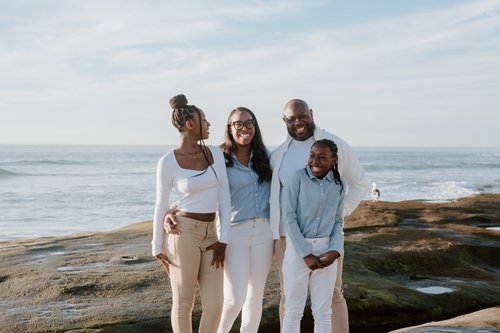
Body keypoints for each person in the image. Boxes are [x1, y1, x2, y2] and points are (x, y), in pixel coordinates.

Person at [270, 99, 368, 333]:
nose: (298, 122)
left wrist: (336, 213)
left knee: (332, 295)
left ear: (311, 114)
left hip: (327, 238)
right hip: (289, 237)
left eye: (303, 116)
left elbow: (360, 184)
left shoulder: (335, 145)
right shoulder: (278, 155)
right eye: (291, 119)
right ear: (284, 121)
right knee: (289, 299)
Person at [152, 94, 231, 333]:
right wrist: (157, 246)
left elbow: (224, 197)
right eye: (204, 120)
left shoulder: (215, 153)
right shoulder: (167, 162)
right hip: (182, 233)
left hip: (212, 234)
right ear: (190, 124)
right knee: (184, 303)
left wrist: (223, 238)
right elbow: (161, 205)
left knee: (216, 304)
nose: (208, 124)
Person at [216, 107, 274, 333]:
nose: (244, 128)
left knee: (255, 296)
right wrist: (174, 209)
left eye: (249, 123)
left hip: (264, 232)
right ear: (229, 129)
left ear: (255, 126)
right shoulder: (219, 157)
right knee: (234, 298)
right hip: (234, 233)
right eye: (237, 124)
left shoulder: (265, 156)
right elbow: (200, 188)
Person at [282, 139, 345, 333]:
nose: (314, 161)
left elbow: (337, 221)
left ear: (333, 160)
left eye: (322, 157)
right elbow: (289, 218)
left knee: (323, 311)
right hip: (297, 250)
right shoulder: (297, 178)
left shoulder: (339, 184)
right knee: (293, 310)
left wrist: (335, 250)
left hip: (326, 249)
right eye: (312, 156)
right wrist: (305, 254)